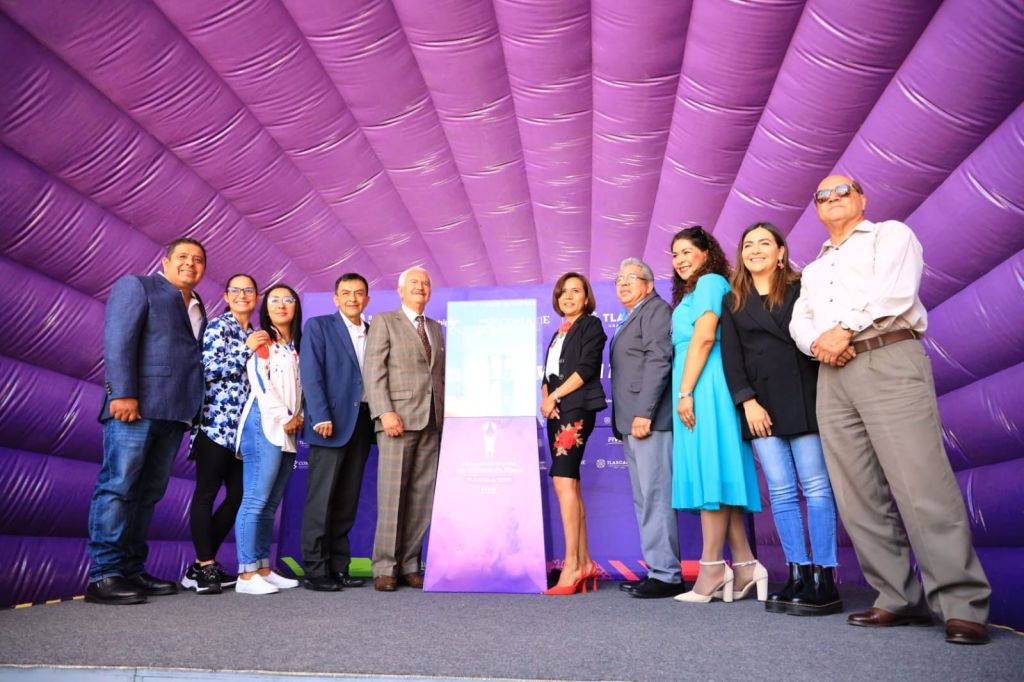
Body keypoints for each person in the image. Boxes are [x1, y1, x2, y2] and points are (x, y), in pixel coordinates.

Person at [790, 175, 991, 644]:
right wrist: (819, 343)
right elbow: (801, 320)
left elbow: (894, 292)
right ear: (816, 208)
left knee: (922, 483)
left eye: (842, 191)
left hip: (887, 354)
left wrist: (842, 330)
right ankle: (898, 596)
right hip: (832, 373)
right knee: (856, 492)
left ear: (861, 198)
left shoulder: (890, 234)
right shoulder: (814, 269)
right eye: (822, 195)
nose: (833, 199)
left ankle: (961, 603)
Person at [720, 223, 841, 616]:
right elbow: (732, 358)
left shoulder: (801, 286)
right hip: (760, 405)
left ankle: (825, 576)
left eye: (764, 243)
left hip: (803, 395)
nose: (755, 250)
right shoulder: (733, 299)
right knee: (781, 491)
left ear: (781, 252)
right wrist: (747, 402)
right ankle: (797, 572)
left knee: (816, 487)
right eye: (748, 244)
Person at [86, 237, 208, 605]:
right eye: (183, 257)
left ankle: (131, 569)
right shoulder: (137, 286)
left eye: (198, 259)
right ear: (166, 261)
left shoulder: (198, 304)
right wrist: (122, 392)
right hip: (135, 407)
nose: (190, 264)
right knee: (118, 487)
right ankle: (105, 575)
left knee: (148, 494)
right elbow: (119, 339)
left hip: (175, 413)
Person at [668, 227, 766, 604]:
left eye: (687, 251)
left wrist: (686, 392)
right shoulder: (693, 291)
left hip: (704, 384)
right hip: (695, 381)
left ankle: (711, 568)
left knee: (711, 470)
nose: (680, 260)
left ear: (707, 253)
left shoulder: (710, 282)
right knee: (718, 472)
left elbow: (706, 336)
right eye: (675, 254)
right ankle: (745, 565)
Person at [181, 274, 270, 595]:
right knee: (206, 493)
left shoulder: (257, 333)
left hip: (245, 431)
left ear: (256, 296)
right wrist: (246, 350)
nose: (243, 295)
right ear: (226, 296)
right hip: (215, 426)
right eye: (236, 290)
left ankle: (199, 565)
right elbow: (209, 369)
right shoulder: (218, 327)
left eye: (249, 290)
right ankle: (206, 565)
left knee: (239, 497)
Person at [364, 267, 446, 592]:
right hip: (396, 420)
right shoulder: (385, 321)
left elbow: (438, 376)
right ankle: (385, 567)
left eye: (425, 283)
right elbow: (373, 371)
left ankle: (410, 564)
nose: (420, 287)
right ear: (400, 290)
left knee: (422, 499)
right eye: (414, 282)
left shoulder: (436, 328)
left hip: (432, 422)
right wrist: (384, 412)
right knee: (392, 496)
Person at [609, 258, 685, 599]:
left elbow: (659, 361)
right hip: (632, 422)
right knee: (645, 499)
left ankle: (667, 575)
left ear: (649, 284)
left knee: (656, 496)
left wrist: (644, 412)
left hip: (648, 421)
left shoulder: (655, 311)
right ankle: (657, 568)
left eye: (631, 278)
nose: (623, 283)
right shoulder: (634, 315)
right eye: (619, 279)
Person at [299, 273, 374, 591]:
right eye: (346, 293)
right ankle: (315, 569)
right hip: (329, 424)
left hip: (362, 423)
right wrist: (319, 416)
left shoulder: (373, 331)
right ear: (336, 298)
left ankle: (339, 566)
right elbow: (311, 373)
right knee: (322, 499)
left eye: (358, 293)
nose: (353, 298)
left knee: (347, 500)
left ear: (367, 299)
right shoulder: (319, 326)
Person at [233, 284, 304, 595]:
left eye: (288, 299)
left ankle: (263, 568)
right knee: (255, 498)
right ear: (266, 308)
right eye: (274, 300)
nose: (281, 304)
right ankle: (246, 574)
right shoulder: (263, 341)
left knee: (271, 502)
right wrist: (284, 416)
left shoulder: (295, 346)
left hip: (288, 429)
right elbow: (260, 382)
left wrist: (297, 417)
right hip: (265, 424)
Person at [540, 272, 607, 596]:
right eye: (562, 292)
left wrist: (554, 396)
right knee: (570, 484)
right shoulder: (558, 332)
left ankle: (572, 566)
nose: (568, 296)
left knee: (563, 480)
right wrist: (547, 399)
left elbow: (585, 370)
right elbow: (547, 375)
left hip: (576, 408)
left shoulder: (590, 325)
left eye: (575, 291)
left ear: (586, 297)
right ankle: (584, 562)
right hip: (556, 412)